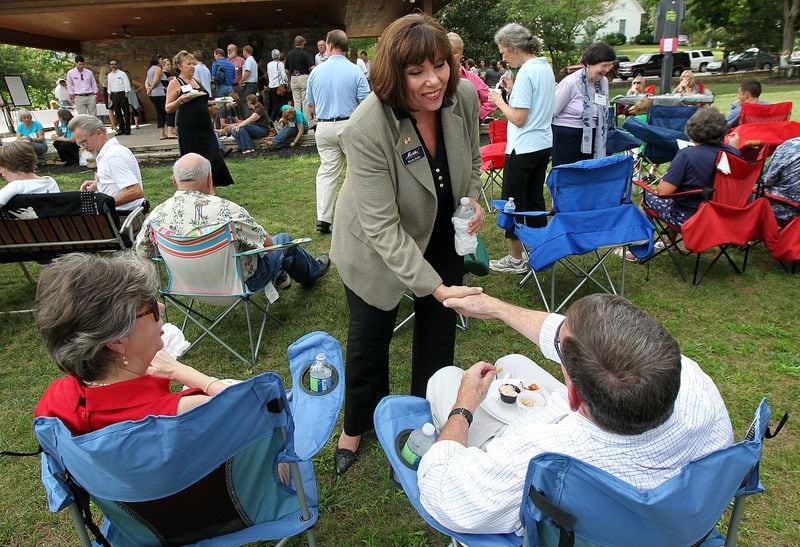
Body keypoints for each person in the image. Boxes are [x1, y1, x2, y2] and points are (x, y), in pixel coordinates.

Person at [416, 292, 733, 534]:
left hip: (570, 500)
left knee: (445, 379)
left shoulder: (545, 457)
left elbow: (446, 495)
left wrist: (463, 406)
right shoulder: (694, 381)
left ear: (573, 395)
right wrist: (496, 307)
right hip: (670, 523)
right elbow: (568, 336)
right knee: (514, 362)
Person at [329, 14, 485, 476]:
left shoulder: (465, 97)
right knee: (369, 340)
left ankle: (425, 416)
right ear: (394, 75)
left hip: (441, 232)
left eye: (439, 65)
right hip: (377, 246)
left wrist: (473, 200)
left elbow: (473, 162)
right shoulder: (366, 126)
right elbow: (382, 229)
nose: (433, 80)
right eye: (417, 72)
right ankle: (357, 425)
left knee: (439, 334)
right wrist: (433, 287)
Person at [33, 252, 237, 435]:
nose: (161, 307)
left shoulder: (54, 401)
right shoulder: (182, 413)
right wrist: (182, 372)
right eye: (150, 307)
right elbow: (254, 408)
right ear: (117, 340)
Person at [134, 153, 330, 292]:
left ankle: (280, 277)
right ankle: (312, 271)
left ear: (174, 181)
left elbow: (144, 252)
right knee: (284, 240)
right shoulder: (227, 211)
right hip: (237, 284)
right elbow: (269, 245)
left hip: (185, 285)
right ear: (210, 180)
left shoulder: (156, 215)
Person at [486, 23, 554, 275]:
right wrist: (514, 91)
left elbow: (518, 118)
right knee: (534, 198)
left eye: (503, 50)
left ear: (514, 47)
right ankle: (540, 250)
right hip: (542, 144)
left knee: (512, 203)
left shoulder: (526, 72)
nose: (502, 56)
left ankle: (516, 259)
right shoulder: (544, 68)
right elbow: (536, 105)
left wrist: (499, 101)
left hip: (523, 147)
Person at [306, 29, 370, 234]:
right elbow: (366, 104)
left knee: (326, 173)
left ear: (330, 45)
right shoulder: (355, 71)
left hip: (324, 126)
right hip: (349, 124)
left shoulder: (316, 72)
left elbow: (311, 105)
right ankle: (360, 215)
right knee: (358, 170)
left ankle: (323, 219)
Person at [642, 108, 741, 229]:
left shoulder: (686, 154)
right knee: (676, 198)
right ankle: (670, 244)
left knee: (647, 198)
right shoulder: (733, 153)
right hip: (724, 215)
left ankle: (641, 243)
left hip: (691, 217)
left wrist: (666, 178)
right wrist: (735, 149)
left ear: (692, 129)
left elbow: (663, 192)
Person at [166, 50, 234, 187]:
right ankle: (193, 187)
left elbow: (203, 101)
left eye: (193, 63)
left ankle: (211, 187)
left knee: (213, 156)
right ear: (179, 66)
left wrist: (221, 102)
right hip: (188, 127)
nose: (192, 66)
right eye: (188, 64)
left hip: (205, 126)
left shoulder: (196, 80)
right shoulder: (175, 83)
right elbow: (168, 108)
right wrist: (181, 99)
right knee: (194, 160)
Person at [551, 41, 616, 167]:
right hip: (567, 135)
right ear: (589, 64)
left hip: (594, 134)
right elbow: (552, 110)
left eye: (610, 65)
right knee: (569, 175)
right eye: (604, 65)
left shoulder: (603, 82)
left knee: (588, 173)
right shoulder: (571, 82)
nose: (607, 70)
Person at [70, 114, 145, 212]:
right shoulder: (106, 153)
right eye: (80, 144)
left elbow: (135, 191)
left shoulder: (113, 155)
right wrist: (100, 184)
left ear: (99, 133)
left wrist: (101, 205)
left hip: (123, 218)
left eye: (84, 142)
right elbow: (119, 183)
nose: (84, 147)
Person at [447, 32, 496, 121]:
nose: (450, 57)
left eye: (454, 52)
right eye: (447, 52)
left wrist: (477, 116)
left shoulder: (473, 79)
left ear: (461, 52)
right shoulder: (436, 78)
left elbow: (492, 100)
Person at [0, 141, 60, 207]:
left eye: (1, 168)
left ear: (10, 166)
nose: (0, 172)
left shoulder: (16, 186)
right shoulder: (51, 181)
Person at [759, 135, 800, 221]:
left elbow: (767, 181)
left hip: (783, 208)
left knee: (744, 189)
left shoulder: (790, 146)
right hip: (792, 207)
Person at [285, 35, 315, 121]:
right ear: (302, 44)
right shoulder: (305, 54)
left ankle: (298, 120)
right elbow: (312, 67)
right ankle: (306, 120)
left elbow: (286, 70)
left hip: (293, 78)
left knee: (296, 101)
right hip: (303, 77)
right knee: (305, 100)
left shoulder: (289, 54)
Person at [145, 55, 169, 140]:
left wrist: (148, 89)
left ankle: (162, 133)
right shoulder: (158, 69)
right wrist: (151, 88)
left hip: (153, 95)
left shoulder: (149, 69)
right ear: (157, 60)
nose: (162, 61)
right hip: (160, 93)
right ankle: (170, 131)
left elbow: (147, 81)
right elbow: (156, 81)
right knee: (167, 112)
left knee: (160, 114)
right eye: (161, 59)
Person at [106, 59, 131, 135]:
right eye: (111, 64)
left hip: (122, 94)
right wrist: (109, 96)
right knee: (117, 112)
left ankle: (127, 129)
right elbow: (109, 86)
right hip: (114, 95)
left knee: (126, 112)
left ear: (117, 65)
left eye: (114, 64)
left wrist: (126, 94)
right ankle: (121, 129)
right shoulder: (109, 75)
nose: (113, 65)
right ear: (109, 65)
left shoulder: (122, 74)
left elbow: (127, 84)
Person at [266, 49, 288, 121]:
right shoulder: (280, 64)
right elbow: (283, 75)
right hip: (279, 86)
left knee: (274, 104)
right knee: (282, 104)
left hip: (271, 85)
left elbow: (269, 74)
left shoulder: (269, 64)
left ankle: (273, 119)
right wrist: (286, 82)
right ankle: (275, 119)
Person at [240, 45, 260, 117]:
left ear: (245, 51)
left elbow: (247, 72)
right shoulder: (253, 61)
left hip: (249, 84)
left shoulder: (248, 60)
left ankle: (248, 118)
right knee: (252, 102)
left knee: (246, 103)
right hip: (254, 84)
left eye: (243, 52)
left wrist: (241, 81)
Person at [161, 58, 178, 138]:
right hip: (166, 95)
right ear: (163, 66)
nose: (170, 66)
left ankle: (172, 130)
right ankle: (170, 131)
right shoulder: (165, 74)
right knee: (170, 113)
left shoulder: (169, 74)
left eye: (170, 64)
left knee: (172, 113)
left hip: (168, 94)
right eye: (167, 64)